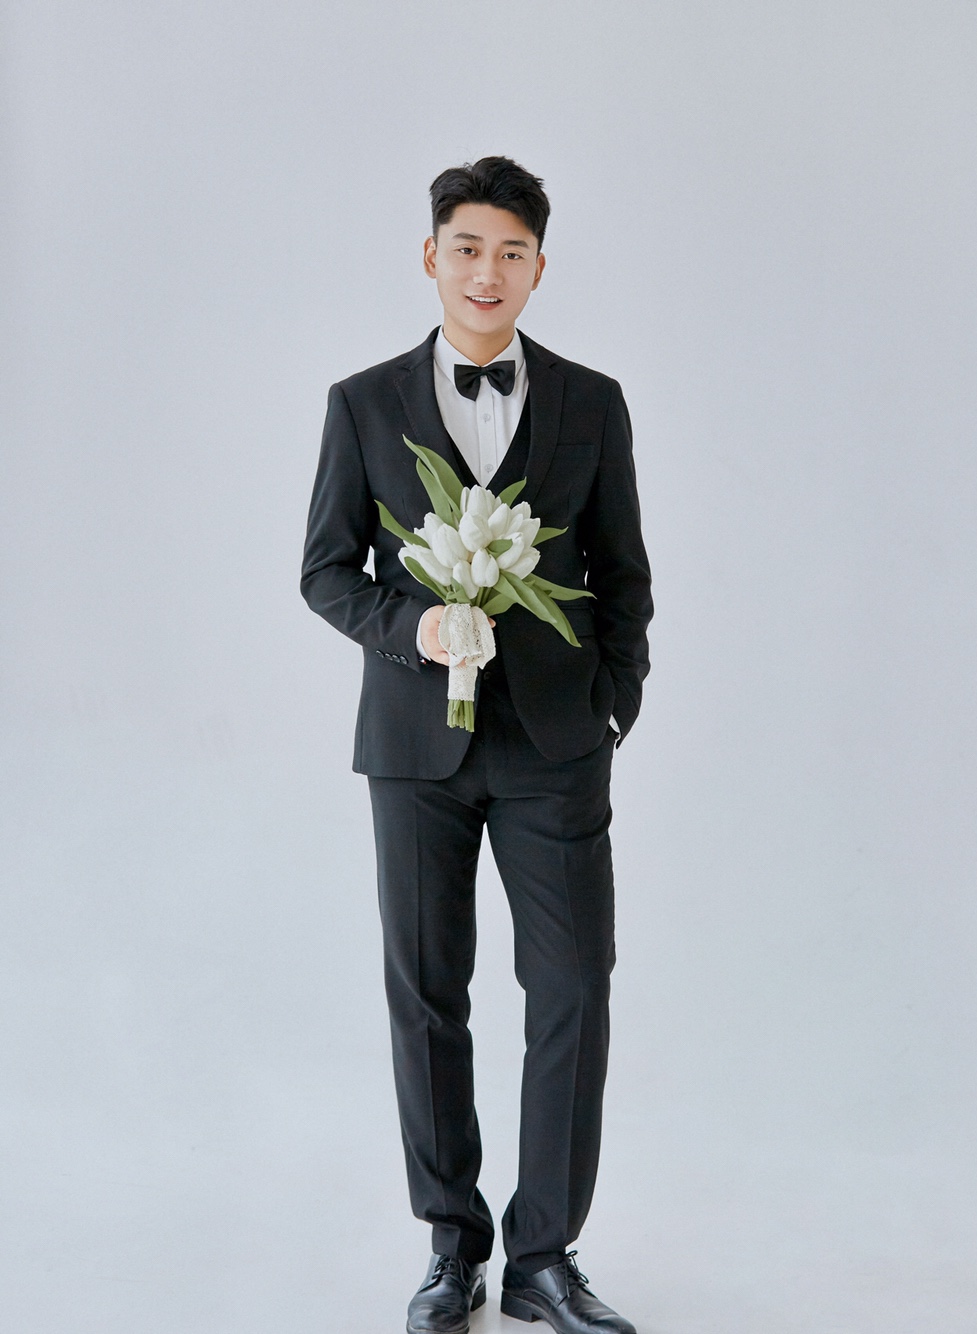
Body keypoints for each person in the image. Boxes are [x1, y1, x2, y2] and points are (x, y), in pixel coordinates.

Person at [301, 156, 652, 1334]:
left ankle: (543, 1254)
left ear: (538, 267)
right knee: (425, 991)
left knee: (572, 989)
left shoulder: (593, 401)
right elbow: (324, 570)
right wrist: (414, 627)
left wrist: (612, 701)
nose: (486, 271)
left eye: (510, 251)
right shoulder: (361, 402)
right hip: (415, 749)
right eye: (467, 248)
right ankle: (451, 1245)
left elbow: (622, 571)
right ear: (430, 257)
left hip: (557, 745)